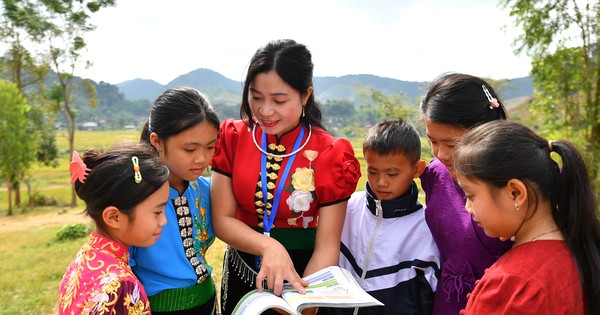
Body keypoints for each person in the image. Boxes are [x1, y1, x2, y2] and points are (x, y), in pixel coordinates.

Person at [210, 39, 361, 315]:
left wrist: (304, 303)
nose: (265, 111)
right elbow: (222, 220)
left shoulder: (330, 153)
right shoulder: (233, 137)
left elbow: (327, 244)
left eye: (279, 100)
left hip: (304, 279)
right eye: (256, 98)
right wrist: (270, 246)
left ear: (306, 95)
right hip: (244, 272)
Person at [453, 120, 600, 314]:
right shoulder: (580, 248)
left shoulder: (514, 284)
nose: (467, 207)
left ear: (515, 193)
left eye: (471, 195)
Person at [419, 72, 513, 315]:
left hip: (503, 302)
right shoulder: (435, 174)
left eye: (452, 144)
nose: (441, 154)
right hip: (447, 301)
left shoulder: (518, 177)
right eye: (433, 141)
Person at [328, 119, 440, 315]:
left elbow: (428, 298)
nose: (381, 182)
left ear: (417, 169)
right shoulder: (346, 208)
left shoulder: (426, 227)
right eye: (372, 171)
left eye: (392, 174)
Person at [130, 87, 221, 314]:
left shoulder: (207, 190)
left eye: (210, 147)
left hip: (207, 301)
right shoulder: (134, 196)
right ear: (157, 141)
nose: (202, 159)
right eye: (189, 149)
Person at [58, 143, 170, 315]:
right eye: (157, 212)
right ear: (114, 217)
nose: (163, 221)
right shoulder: (121, 285)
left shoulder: (84, 258)